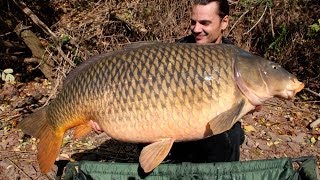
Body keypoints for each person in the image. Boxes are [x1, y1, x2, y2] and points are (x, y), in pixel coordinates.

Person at [167, 0, 245, 163]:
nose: (196, 29)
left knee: (231, 133)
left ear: (224, 22)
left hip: (214, 132)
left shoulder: (236, 58)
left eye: (204, 23)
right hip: (176, 122)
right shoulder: (175, 52)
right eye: (193, 22)